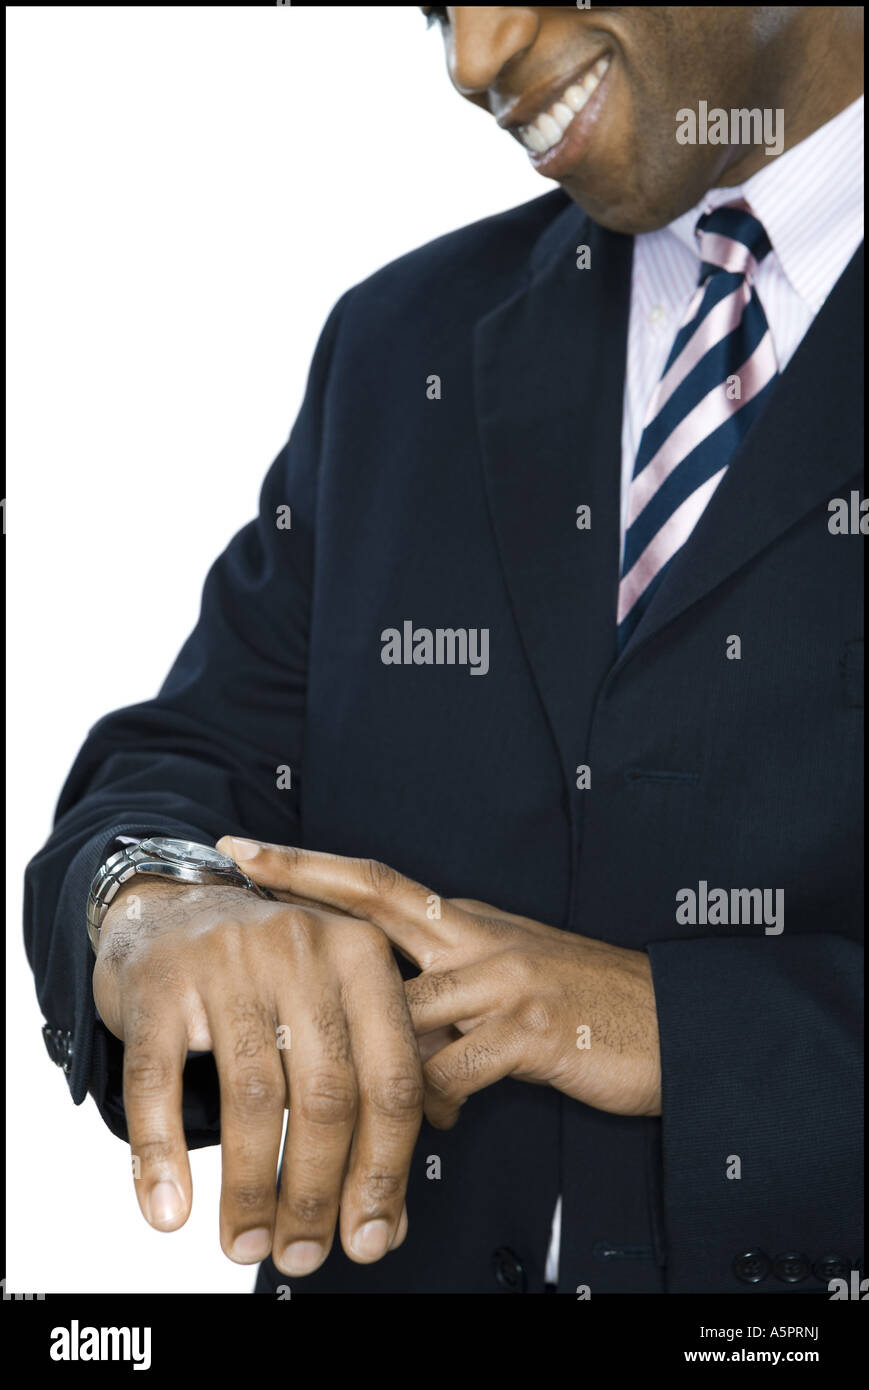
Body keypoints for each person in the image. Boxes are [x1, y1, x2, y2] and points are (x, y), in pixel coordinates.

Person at [25, 6, 863, 1295]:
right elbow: (191, 755)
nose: (473, 59)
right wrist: (153, 899)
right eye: (435, 5)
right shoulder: (402, 344)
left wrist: (680, 1032)